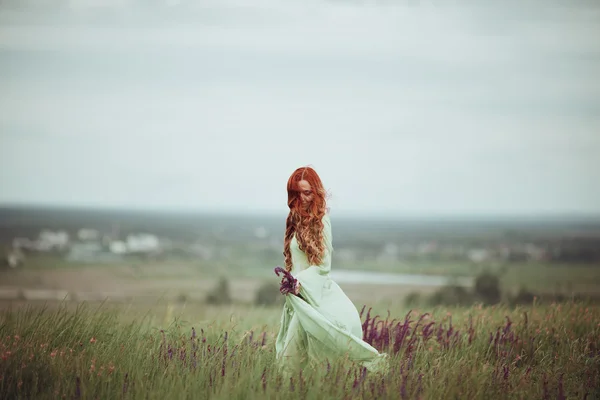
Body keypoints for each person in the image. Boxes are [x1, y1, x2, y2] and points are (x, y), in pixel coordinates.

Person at [275, 166, 388, 375]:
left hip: (311, 291)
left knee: (304, 359)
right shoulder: (293, 218)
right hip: (297, 297)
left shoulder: (321, 220)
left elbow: (324, 264)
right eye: (297, 193)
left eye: (307, 192)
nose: (302, 198)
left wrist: (299, 283)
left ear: (316, 192)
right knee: (289, 357)